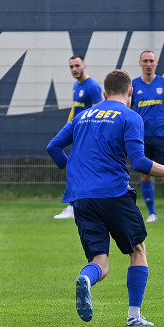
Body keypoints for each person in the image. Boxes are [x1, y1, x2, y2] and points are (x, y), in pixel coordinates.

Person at [47, 69, 164, 327]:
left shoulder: (84, 115)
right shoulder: (131, 116)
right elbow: (139, 162)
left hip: (81, 198)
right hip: (114, 194)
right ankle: (134, 316)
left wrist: (73, 172)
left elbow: (53, 146)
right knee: (137, 250)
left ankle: (86, 279)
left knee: (100, 262)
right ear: (131, 92)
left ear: (104, 93)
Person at [131, 50, 164, 223]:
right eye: (145, 61)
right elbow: (128, 111)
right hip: (141, 138)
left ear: (156, 63)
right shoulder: (133, 85)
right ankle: (152, 213)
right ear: (140, 63)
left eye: (151, 60)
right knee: (145, 175)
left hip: (161, 136)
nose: (148, 64)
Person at [54, 55, 104, 220]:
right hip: (77, 133)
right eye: (71, 67)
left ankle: (73, 205)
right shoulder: (77, 85)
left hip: (87, 136)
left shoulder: (93, 87)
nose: (74, 69)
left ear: (84, 66)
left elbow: (99, 113)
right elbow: (75, 109)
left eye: (77, 66)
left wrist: (94, 137)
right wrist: (67, 127)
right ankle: (74, 204)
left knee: (80, 168)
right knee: (73, 166)